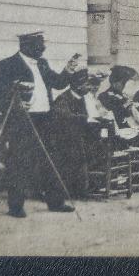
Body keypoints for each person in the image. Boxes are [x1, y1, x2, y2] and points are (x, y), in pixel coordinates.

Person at [0, 31, 80, 218]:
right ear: (26, 45)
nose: (43, 48)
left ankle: (56, 202)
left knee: (51, 159)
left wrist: (69, 70)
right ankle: (16, 207)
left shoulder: (43, 64)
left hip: (46, 118)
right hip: (22, 120)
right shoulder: (7, 65)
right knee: (20, 161)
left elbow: (58, 83)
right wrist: (15, 104)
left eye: (43, 44)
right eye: (39, 45)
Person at [48, 66, 93, 199]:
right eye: (87, 84)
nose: (89, 87)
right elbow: (65, 119)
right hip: (60, 139)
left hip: (76, 135)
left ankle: (84, 188)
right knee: (78, 151)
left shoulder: (81, 97)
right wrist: (85, 118)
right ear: (78, 85)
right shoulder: (63, 99)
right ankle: (77, 191)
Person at [98, 65, 139, 146]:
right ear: (114, 82)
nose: (123, 86)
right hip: (118, 133)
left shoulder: (123, 96)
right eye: (122, 83)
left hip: (131, 129)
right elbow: (111, 113)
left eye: (124, 82)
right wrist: (125, 106)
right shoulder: (104, 96)